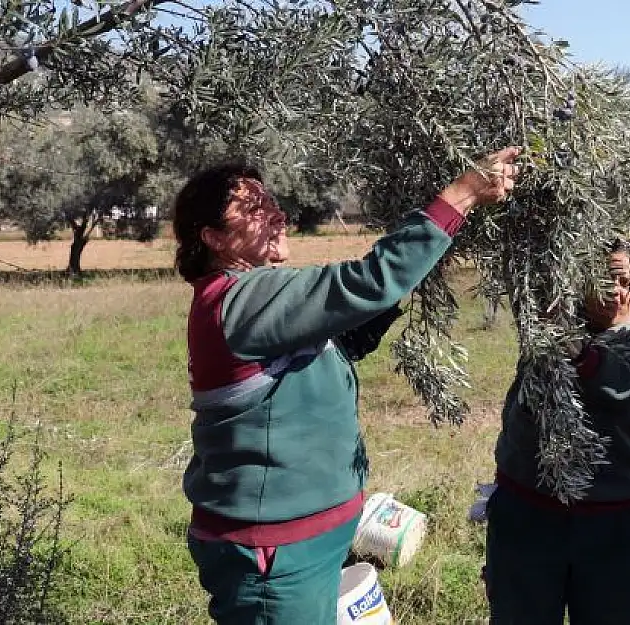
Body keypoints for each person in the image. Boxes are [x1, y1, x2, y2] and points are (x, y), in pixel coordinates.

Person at [172, 146, 521, 625]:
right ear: (213, 237)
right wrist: (461, 195)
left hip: (304, 542)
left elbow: (343, 337)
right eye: (253, 210)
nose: (276, 214)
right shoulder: (240, 300)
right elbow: (368, 283)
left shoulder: (259, 296)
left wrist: (423, 258)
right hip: (274, 557)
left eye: (272, 203)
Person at [483, 240, 630, 625]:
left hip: (613, 523)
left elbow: (626, 384)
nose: (612, 292)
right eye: (600, 280)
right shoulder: (547, 326)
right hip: (527, 512)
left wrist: (576, 351)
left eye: (623, 281)